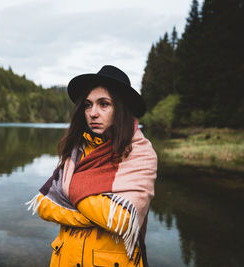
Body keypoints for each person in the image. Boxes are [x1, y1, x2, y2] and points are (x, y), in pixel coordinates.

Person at [26, 65, 157, 267]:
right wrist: (89, 215)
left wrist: (73, 193)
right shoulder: (77, 151)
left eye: (103, 104)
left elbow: (123, 220)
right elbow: (44, 204)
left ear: (121, 108)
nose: (93, 113)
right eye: (88, 105)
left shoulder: (140, 154)